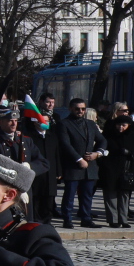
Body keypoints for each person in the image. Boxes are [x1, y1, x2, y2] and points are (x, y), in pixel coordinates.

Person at [51, 98, 103, 229]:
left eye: (83, 109)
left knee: (87, 195)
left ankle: (86, 217)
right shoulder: (64, 124)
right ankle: (67, 218)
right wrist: (79, 159)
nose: (80, 111)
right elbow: (65, 144)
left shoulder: (90, 124)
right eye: (77, 109)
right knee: (70, 194)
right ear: (70, 109)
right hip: (73, 165)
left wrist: (97, 153)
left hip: (90, 165)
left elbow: (102, 140)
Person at [99, 109, 134, 228]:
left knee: (124, 195)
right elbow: (103, 148)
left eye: (124, 125)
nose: (120, 127)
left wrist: (130, 153)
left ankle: (124, 219)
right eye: (118, 125)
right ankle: (113, 219)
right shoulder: (109, 135)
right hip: (110, 168)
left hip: (127, 169)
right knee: (111, 194)